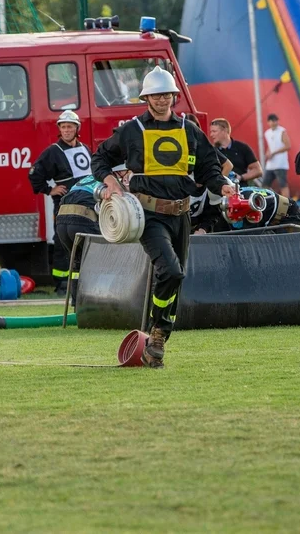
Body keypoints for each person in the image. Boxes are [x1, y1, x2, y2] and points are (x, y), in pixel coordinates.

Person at [91, 66, 235, 369]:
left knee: (174, 280)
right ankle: (158, 334)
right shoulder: (131, 130)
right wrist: (110, 181)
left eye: (166, 94)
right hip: (148, 215)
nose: (162, 99)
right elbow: (100, 158)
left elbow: (210, 169)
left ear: (174, 96)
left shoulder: (190, 130)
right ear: (146, 98)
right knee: (171, 272)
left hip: (182, 215)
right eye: (155, 95)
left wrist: (225, 186)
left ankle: (153, 339)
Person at [29, 110, 93, 295]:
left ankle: (83, 281)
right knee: (63, 242)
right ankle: (63, 285)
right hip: (66, 205)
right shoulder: (53, 152)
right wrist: (50, 190)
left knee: (88, 241)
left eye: (70, 126)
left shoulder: (85, 148)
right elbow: (35, 174)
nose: (66, 130)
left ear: (77, 128)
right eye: (63, 127)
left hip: (89, 204)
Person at [55, 166, 129, 298]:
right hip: (82, 218)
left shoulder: (89, 178)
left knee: (77, 264)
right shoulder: (113, 182)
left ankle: (77, 303)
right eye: (126, 171)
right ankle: (100, 301)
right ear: (120, 171)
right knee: (102, 262)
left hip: (61, 221)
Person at [213, 186, 300, 232]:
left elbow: (249, 239)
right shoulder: (235, 196)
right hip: (273, 217)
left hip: (289, 216)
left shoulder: (245, 203)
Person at [210, 118, 262, 186]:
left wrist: (241, 177)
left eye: (214, 131)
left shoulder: (242, 147)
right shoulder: (211, 151)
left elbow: (258, 170)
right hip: (220, 191)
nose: (211, 134)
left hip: (240, 189)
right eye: (211, 131)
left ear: (225, 131)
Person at [263, 114, 292, 198]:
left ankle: (287, 204)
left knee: (283, 185)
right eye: (271, 121)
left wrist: (274, 153)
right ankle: (265, 203)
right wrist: (268, 153)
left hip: (280, 163)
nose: (273, 123)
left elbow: (288, 145)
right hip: (271, 164)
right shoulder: (267, 133)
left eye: (275, 120)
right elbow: (270, 145)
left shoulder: (282, 131)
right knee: (265, 185)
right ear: (268, 122)